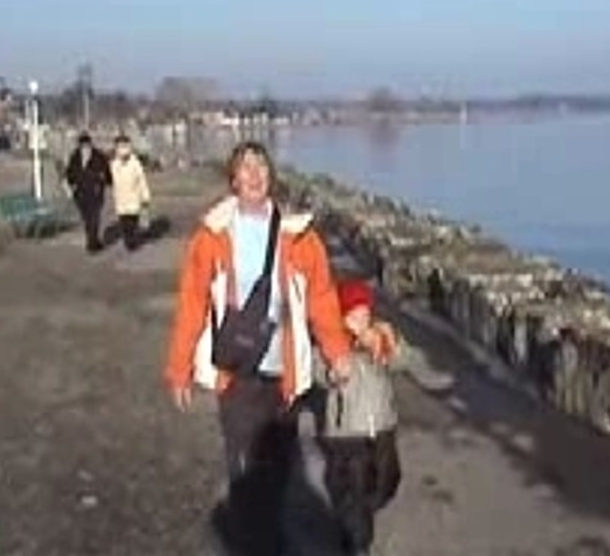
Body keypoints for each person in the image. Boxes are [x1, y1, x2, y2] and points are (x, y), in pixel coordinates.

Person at [163, 140, 353, 556]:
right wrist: (179, 369)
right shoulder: (212, 236)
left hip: (285, 375)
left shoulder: (298, 236)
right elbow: (192, 302)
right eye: (245, 167)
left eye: (261, 166)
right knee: (245, 472)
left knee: (281, 469)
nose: (254, 174)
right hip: (238, 374)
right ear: (233, 179)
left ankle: (267, 539)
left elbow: (322, 298)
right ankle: (255, 544)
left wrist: (337, 352)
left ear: (271, 176)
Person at [318, 278, 403, 556]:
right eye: (355, 315)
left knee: (387, 482)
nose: (362, 319)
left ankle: (352, 521)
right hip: (347, 435)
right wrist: (334, 372)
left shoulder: (379, 339)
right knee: (354, 496)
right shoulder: (332, 343)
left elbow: (407, 363)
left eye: (365, 313)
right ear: (342, 316)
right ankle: (357, 542)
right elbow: (318, 373)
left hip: (382, 429)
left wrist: (389, 344)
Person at [64, 132, 112, 254]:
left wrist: (107, 181)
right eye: (83, 146)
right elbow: (70, 173)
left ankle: (91, 244)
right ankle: (94, 241)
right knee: (87, 219)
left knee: (94, 218)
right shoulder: (75, 157)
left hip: (95, 192)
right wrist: (69, 186)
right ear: (80, 146)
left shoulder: (99, 156)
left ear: (90, 144)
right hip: (80, 194)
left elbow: (107, 172)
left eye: (87, 145)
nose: (86, 148)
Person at [110, 134, 151, 252]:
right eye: (120, 146)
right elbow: (110, 179)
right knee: (124, 223)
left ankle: (132, 240)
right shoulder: (114, 164)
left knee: (132, 221)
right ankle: (129, 241)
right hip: (121, 199)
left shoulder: (135, 163)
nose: (122, 149)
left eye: (125, 146)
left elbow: (141, 180)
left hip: (134, 198)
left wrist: (145, 196)